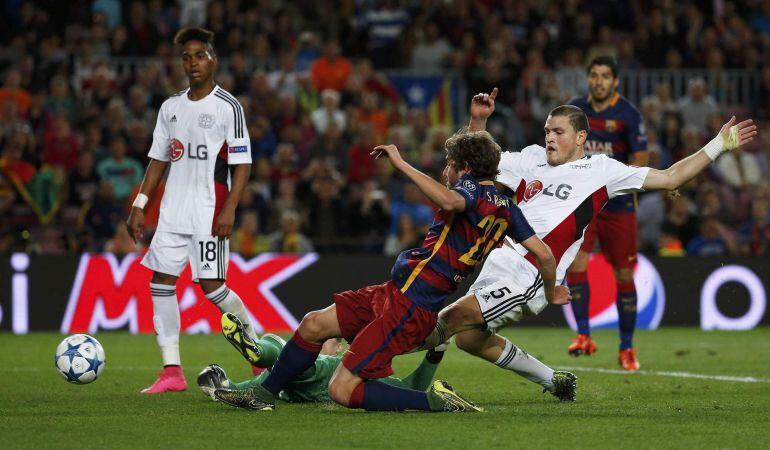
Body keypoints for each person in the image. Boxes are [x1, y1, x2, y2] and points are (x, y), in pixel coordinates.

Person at [414, 88, 755, 396]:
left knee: (449, 319)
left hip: (531, 273)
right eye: (547, 131)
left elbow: (670, 178)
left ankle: (385, 358)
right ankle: (555, 381)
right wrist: (478, 121)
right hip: (498, 261)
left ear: (580, 137)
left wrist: (718, 144)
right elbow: (476, 164)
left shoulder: (602, 171)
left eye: (558, 132)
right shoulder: (530, 158)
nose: (549, 138)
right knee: (470, 339)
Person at [214, 129, 560, 412]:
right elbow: (545, 257)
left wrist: (400, 163)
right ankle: (262, 396)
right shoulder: (508, 209)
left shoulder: (468, 189)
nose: (445, 172)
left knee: (341, 389)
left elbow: (450, 200)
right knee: (313, 324)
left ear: (464, 168)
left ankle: (435, 403)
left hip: (410, 307)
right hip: (394, 293)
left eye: (449, 165)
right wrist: (549, 292)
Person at [126, 27, 256, 394]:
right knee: (160, 282)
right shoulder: (171, 107)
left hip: (209, 211)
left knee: (214, 289)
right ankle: (172, 372)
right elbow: (158, 160)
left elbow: (242, 164)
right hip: (172, 213)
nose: (192, 63)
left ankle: (258, 355)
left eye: (200, 55)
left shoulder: (228, 106)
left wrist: (230, 208)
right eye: (186, 57)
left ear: (214, 60)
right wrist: (140, 204)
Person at [566, 56, 649, 370]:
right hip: (584, 203)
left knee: (624, 274)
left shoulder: (628, 114)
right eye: (594, 75)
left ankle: (626, 348)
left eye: (604, 76)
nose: (598, 81)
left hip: (619, 205)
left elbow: (641, 159)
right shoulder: (575, 110)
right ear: (588, 78)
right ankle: (583, 335)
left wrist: (616, 182)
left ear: (615, 81)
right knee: (577, 262)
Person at [198, 315, 450, 405]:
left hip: (313, 373)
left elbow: (409, 387)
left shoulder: (336, 362)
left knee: (279, 347)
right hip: (301, 384)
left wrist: (434, 354)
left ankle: (259, 350)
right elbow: (410, 388)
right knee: (280, 366)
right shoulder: (351, 374)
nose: (314, 344)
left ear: (338, 347)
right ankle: (259, 352)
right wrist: (218, 384)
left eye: (324, 339)